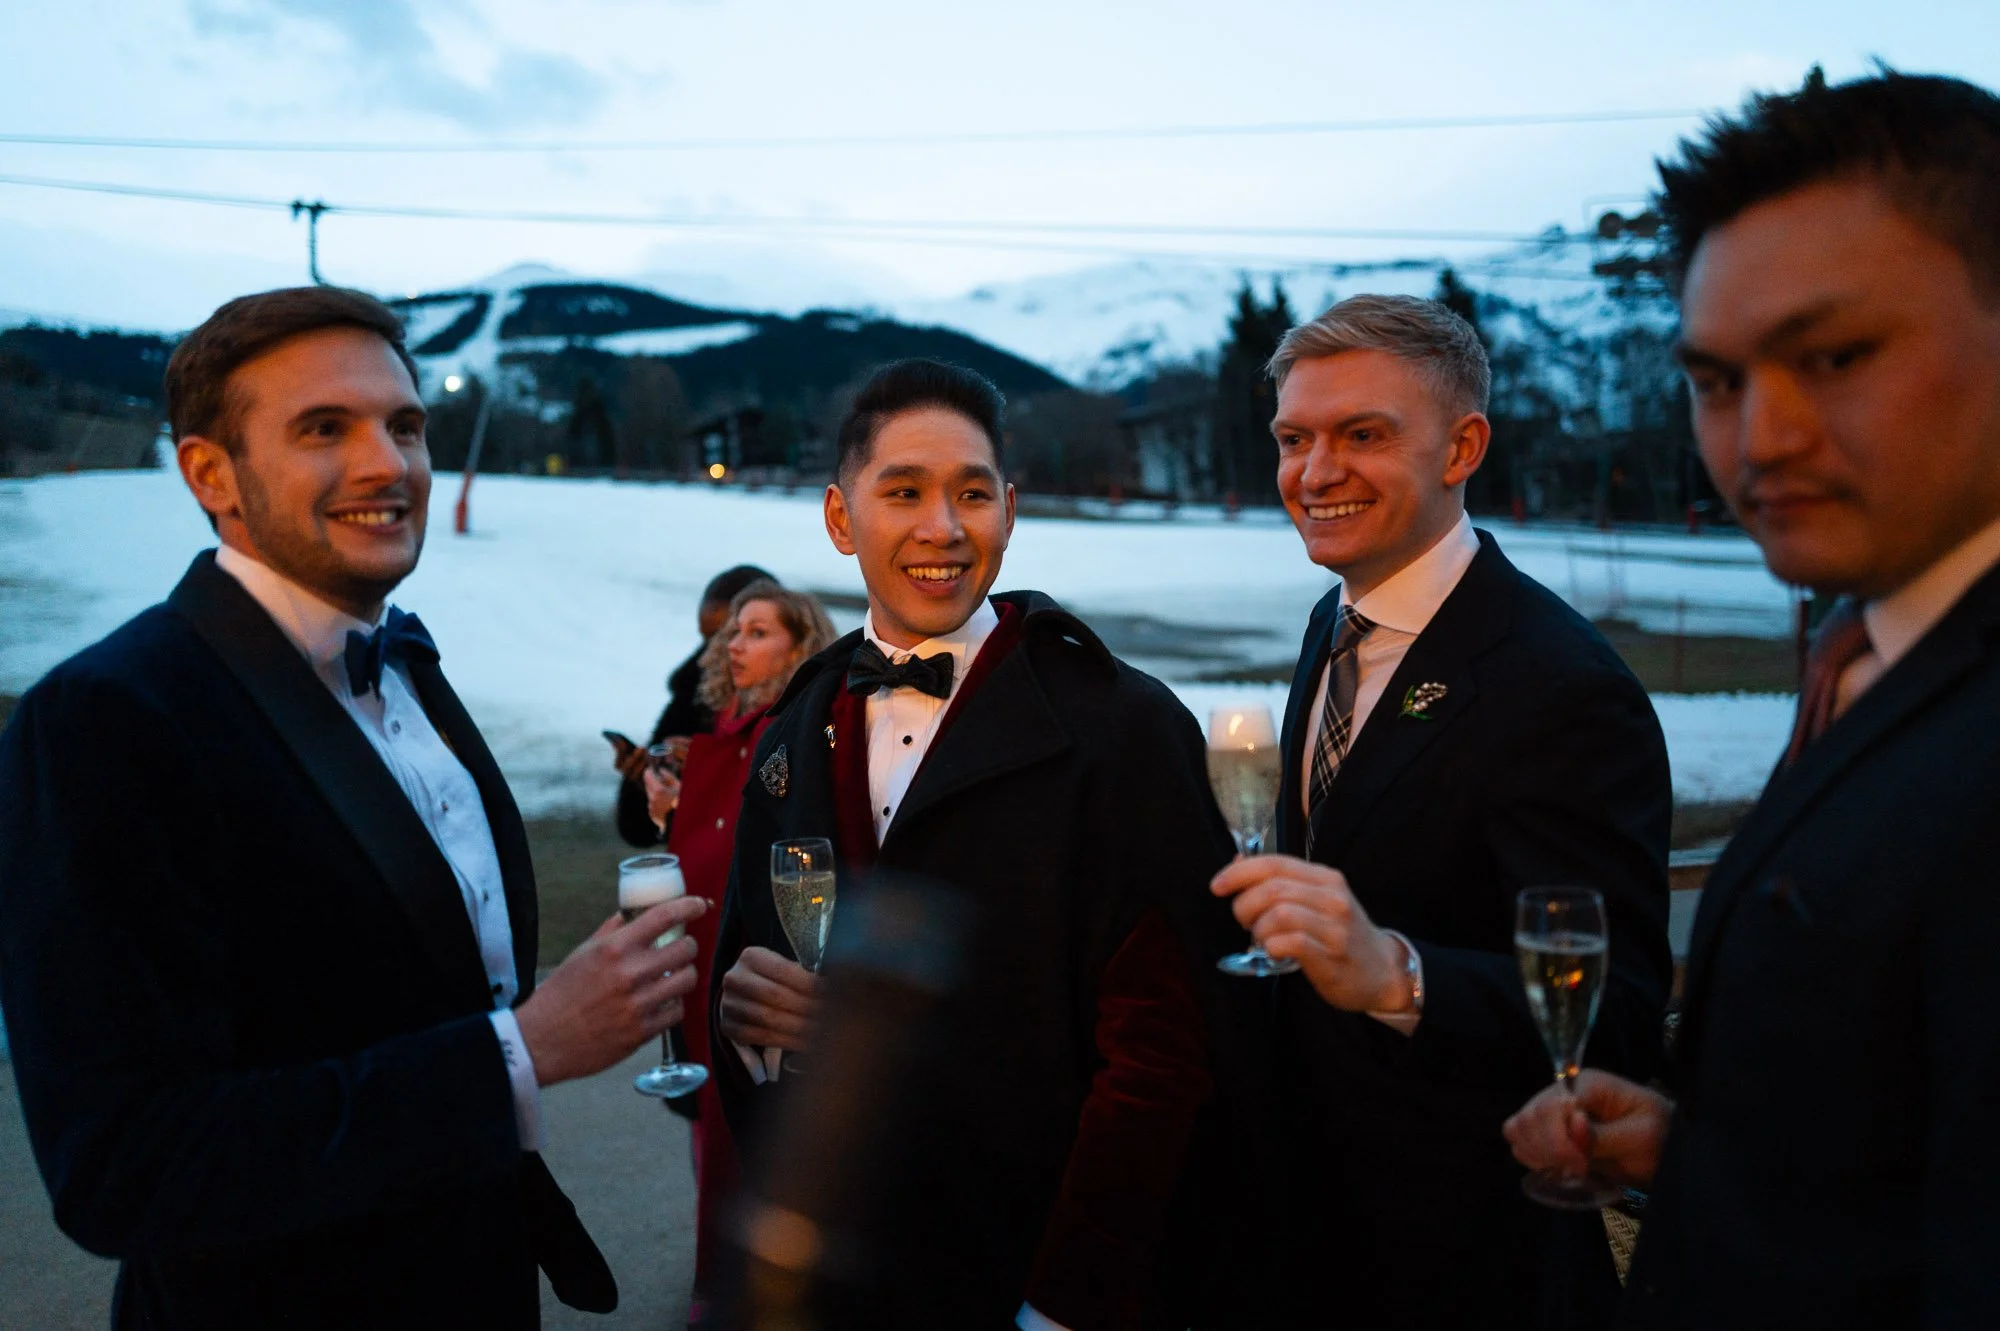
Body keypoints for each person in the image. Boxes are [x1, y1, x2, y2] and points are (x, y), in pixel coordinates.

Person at [0, 286, 708, 1329]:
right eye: (324, 427)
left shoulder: (407, 667)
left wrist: (547, 995)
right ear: (209, 474)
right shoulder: (106, 720)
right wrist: (521, 1048)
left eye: (405, 425)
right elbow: (123, 1163)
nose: (389, 463)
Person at [1503, 69, 2000, 1329]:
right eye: (1716, 380)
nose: (1759, 435)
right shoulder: (1869, 652)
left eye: (1832, 356)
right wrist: (1707, 1147)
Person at [710, 358, 1247, 1331]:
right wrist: (746, 1022)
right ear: (840, 518)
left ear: (1010, 507)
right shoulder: (797, 725)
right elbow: (756, 966)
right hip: (842, 1275)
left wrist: (1066, 1297)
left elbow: (1166, 1052)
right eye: (903, 491)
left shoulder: (1120, 725)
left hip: (1039, 1270)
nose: (941, 528)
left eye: (970, 493)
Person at [1208, 294, 1674, 1329]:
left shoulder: (1559, 685)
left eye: (1360, 434)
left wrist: (1396, 972)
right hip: (1303, 1234)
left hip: (1466, 1259)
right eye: (1293, 438)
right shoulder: (1332, 621)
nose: (1312, 471)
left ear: (1462, 445)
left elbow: (1618, 1012)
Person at [639, 579, 836, 1324]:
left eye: (757, 631)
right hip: (694, 945)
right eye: (734, 633)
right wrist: (663, 802)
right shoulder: (714, 728)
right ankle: (726, 1268)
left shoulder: (802, 731)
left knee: (752, 1125)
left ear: (800, 642)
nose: (735, 643)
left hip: (755, 953)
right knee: (707, 1123)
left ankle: (741, 1283)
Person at [613, 564, 778, 847]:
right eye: (707, 638)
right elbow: (644, 830)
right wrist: (646, 782)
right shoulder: (694, 698)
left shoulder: (811, 704)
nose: (718, 649)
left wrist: (708, 769)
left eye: (727, 634)